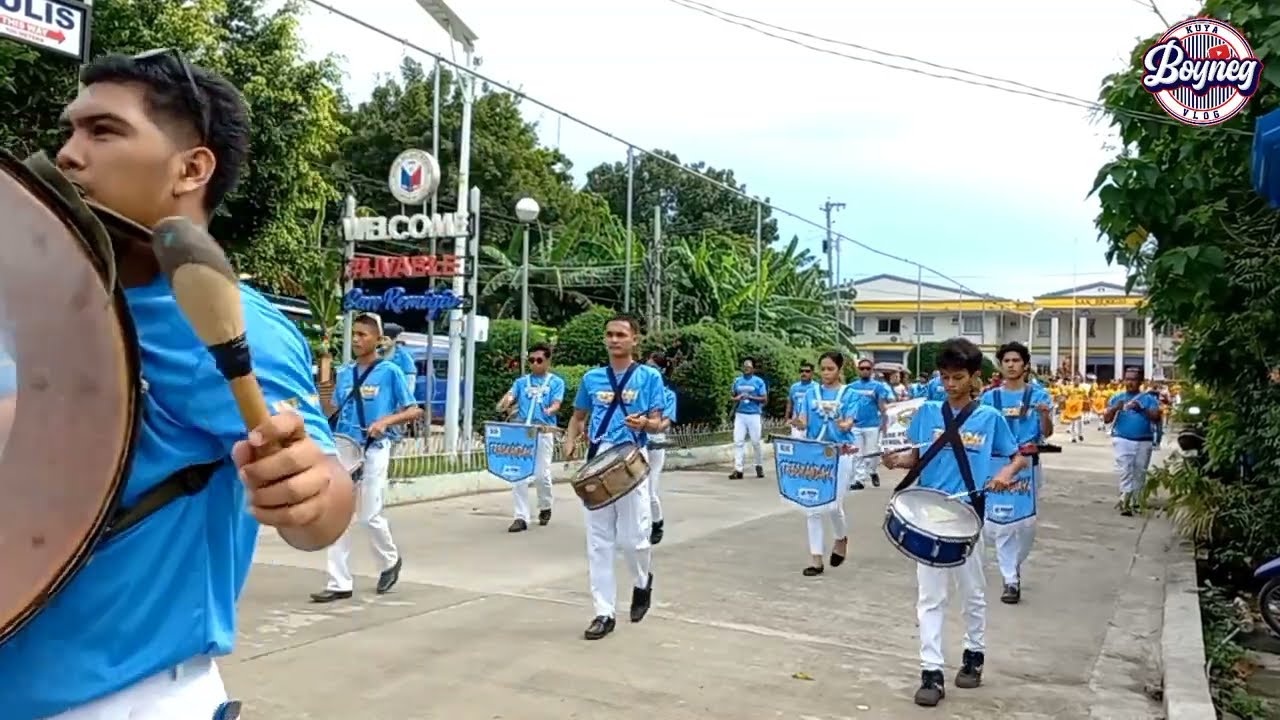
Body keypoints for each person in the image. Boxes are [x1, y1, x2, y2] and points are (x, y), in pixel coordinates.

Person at [2, 51, 355, 719]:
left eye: (103, 131)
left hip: (120, 702)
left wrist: (308, 493)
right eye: (70, 131)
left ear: (191, 169)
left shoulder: (233, 327)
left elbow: (325, 502)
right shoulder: (38, 305)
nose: (70, 154)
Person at [882, 338, 1024, 708]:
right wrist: (896, 460)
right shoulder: (928, 412)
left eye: (957, 377)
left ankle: (973, 654)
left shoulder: (989, 418)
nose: (949, 385)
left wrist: (1006, 473)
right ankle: (931, 671)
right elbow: (917, 455)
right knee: (930, 597)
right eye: (944, 377)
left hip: (968, 517)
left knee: (972, 592)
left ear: (975, 377)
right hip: (928, 516)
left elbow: (1017, 457)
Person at [562, 315, 665, 640]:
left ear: (635, 340)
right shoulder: (592, 378)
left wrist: (646, 425)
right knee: (598, 541)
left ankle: (641, 581)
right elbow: (578, 417)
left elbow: (660, 422)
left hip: (632, 457)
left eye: (621, 334)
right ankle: (603, 612)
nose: (614, 339)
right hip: (598, 460)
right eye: (609, 334)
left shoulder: (649, 377)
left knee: (634, 539)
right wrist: (569, 438)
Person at [310, 313, 419, 603]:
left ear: (378, 339)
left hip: (375, 448)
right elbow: (332, 409)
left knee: (370, 516)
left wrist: (385, 421)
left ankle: (389, 561)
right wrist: (317, 400)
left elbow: (413, 410)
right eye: (354, 334)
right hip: (345, 448)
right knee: (338, 515)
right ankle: (339, 582)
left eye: (363, 334)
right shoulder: (345, 372)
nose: (357, 339)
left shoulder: (391, 372)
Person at [980, 342, 1054, 605]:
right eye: (1006, 361)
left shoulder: (1039, 395)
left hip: (1028, 466)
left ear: (1025, 365)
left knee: (1024, 525)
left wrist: (1044, 416)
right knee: (1001, 523)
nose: (1011, 365)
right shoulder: (989, 398)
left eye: (1016, 360)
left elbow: (1047, 432)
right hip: (997, 466)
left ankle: (1014, 564)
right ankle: (1010, 579)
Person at [791, 351, 855, 576]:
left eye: (831, 369)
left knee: (833, 505)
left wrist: (844, 424)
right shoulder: (810, 393)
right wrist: (797, 422)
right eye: (823, 369)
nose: (826, 373)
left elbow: (849, 421)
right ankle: (816, 560)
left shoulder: (849, 394)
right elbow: (803, 420)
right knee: (812, 508)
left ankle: (841, 538)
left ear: (840, 369)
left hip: (841, 453)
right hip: (815, 454)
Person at [496, 343, 564, 532]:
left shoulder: (555, 382)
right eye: (531, 360)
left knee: (542, 475)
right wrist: (507, 401)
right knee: (519, 475)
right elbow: (510, 396)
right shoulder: (521, 382)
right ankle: (521, 516)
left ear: (548, 361)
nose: (535, 364)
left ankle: (545, 505)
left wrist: (549, 410)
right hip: (522, 433)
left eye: (539, 360)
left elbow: (557, 403)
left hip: (543, 431)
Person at [1103, 367, 1162, 516]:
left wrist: (1142, 409)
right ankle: (1125, 499)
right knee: (1125, 469)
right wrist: (1115, 408)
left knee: (1140, 471)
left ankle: (1137, 501)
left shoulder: (1148, 399)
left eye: (1133, 379)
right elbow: (1106, 419)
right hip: (1122, 439)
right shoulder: (1117, 397)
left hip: (1144, 441)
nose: (1129, 382)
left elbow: (1156, 417)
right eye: (1127, 379)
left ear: (1140, 382)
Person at [645, 350, 678, 545]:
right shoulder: (639, 391)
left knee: (649, 489)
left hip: (655, 442)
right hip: (636, 441)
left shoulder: (668, 395)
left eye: (652, 367)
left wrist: (652, 427)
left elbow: (666, 421)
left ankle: (657, 522)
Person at [849, 358, 892, 489]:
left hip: (872, 425)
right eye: (862, 368)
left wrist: (885, 423)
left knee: (873, 452)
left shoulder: (877, 387)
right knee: (857, 453)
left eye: (868, 368)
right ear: (858, 370)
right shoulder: (852, 387)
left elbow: (882, 406)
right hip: (856, 425)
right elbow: (847, 405)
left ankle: (873, 472)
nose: (865, 371)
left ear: (872, 370)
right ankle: (859, 480)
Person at [729, 358, 767, 479]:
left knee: (755, 442)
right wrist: (737, 398)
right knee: (738, 441)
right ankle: (738, 469)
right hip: (740, 414)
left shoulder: (759, 382)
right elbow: (732, 396)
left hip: (754, 414)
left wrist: (751, 397)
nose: (746, 369)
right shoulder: (737, 381)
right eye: (744, 366)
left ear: (753, 369)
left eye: (749, 367)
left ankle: (758, 465)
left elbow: (764, 399)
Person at [380, 322, 418, 397]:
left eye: (385, 339)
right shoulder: (375, 355)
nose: (381, 342)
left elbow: (408, 387)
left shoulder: (405, 358)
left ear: (394, 339)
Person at [784, 361, 815, 439]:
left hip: (811, 421)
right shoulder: (794, 387)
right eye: (801, 371)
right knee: (796, 443)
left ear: (812, 373)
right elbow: (790, 403)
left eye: (807, 371)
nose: (804, 373)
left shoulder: (816, 388)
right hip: (796, 420)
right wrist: (787, 419)